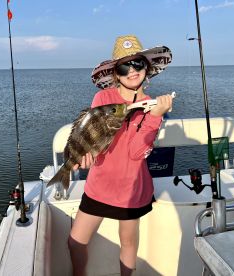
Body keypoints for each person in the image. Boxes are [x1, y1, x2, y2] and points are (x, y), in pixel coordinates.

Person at [68, 35, 173, 276]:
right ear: (116, 74)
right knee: (75, 242)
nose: (132, 71)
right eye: (125, 66)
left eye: (138, 63)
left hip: (132, 190)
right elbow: (95, 138)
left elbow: (137, 152)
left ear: (147, 67)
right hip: (99, 186)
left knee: (128, 243)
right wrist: (88, 154)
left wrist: (156, 115)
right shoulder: (103, 99)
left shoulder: (152, 106)